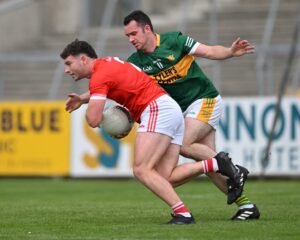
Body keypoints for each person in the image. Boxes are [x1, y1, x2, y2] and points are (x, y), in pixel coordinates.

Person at [60, 39, 244, 224]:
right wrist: (84, 100)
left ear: (83, 59)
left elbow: (93, 120)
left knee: (141, 169)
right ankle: (215, 164)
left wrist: (105, 119)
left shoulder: (99, 76)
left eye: (69, 63)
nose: (66, 70)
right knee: (165, 177)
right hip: (168, 109)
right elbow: (109, 88)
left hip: (157, 110)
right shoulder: (109, 63)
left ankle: (183, 214)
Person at [123, 10, 260, 220]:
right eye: (128, 36)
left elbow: (210, 51)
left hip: (205, 99)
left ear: (147, 29)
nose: (131, 39)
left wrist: (230, 52)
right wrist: (88, 96)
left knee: (185, 145)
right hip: (182, 112)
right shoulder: (136, 61)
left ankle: (232, 168)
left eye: (134, 33)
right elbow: (118, 82)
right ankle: (247, 207)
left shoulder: (175, 41)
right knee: (210, 167)